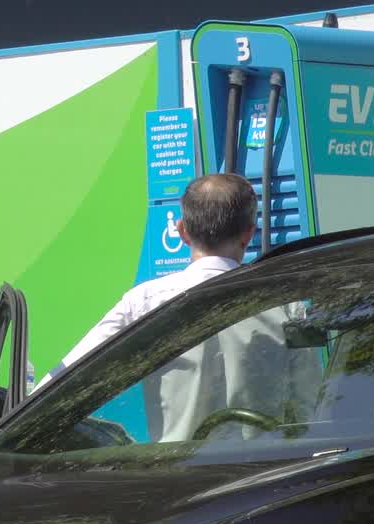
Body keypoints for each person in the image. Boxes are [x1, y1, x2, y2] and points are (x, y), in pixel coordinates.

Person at [45, 172, 321, 442]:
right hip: (267, 476)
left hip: (178, 479)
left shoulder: (143, 303)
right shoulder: (286, 305)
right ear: (249, 234)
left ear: (182, 231)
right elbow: (307, 407)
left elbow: (59, 384)